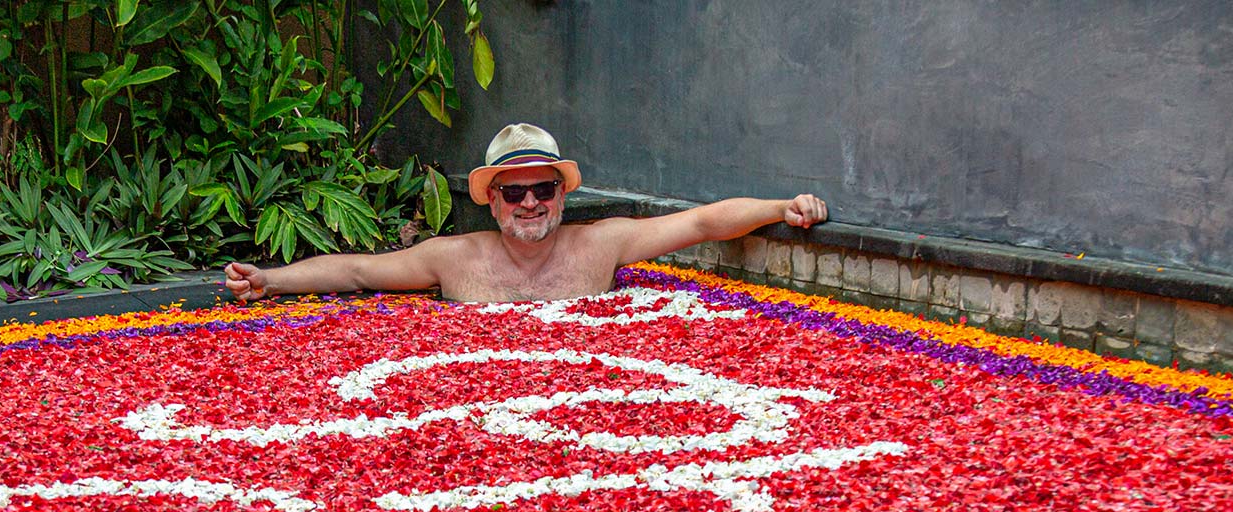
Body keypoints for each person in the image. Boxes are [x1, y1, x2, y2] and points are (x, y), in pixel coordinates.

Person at [222, 123, 829, 304]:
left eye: (543, 189)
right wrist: (271, 280)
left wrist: (782, 207)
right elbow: (357, 272)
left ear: (562, 195)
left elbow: (700, 223)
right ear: (492, 200)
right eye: (515, 193)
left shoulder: (603, 244)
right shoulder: (452, 260)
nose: (531, 202)